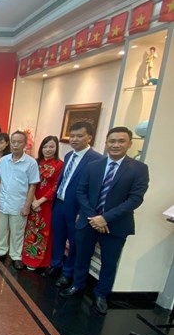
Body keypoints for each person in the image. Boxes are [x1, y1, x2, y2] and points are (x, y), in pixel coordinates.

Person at [60, 127, 149, 315]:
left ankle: (101, 295)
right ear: (106, 142)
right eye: (112, 141)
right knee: (81, 256)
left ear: (129, 144)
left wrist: (105, 218)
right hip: (88, 221)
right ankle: (78, 285)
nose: (116, 145)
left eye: (121, 141)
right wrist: (93, 217)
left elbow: (135, 199)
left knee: (109, 263)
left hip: (115, 225)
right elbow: (81, 192)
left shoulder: (139, 169)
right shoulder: (94, 165)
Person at [47, 122, 103, 287]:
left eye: (79, 136)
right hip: (60, 204)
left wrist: (85, 212)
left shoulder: (97, 160)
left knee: (74, 242)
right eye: (72, 136)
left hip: (77, 209)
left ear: (90, 137)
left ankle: (67, 272)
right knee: (58, 237)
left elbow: (94, 191)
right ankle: (55, 264)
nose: (74, 139)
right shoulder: (69, 156)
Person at [0, 131, 40, 270]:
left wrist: (27, 205)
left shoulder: (31, 163)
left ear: (25, 144)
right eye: (13, 141)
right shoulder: (4, 160)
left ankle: (16, 256)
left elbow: (32, 186)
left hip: (19, 204)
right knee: (1, 230)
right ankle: (0, 252)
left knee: (17, 232)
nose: (15, 145)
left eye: (19, 142)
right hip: (3, 201)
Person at [21, 136, 63, 270]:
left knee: (43, 231)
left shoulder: (59, 164)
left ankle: (40, 261)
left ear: (56, 148)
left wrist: (40, 201)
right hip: (31, 199)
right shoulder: (35, 162)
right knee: (30, 229)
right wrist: (33, 200)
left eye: (51, 146)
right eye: (45, 146)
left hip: (46, 203)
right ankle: (27, 257)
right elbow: (29, 181)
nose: (48, 149)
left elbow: (56, 186)